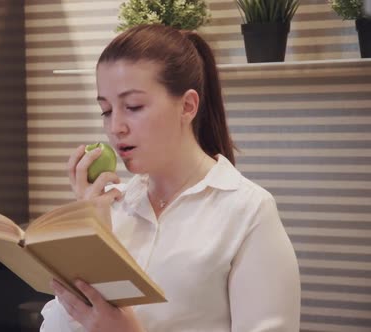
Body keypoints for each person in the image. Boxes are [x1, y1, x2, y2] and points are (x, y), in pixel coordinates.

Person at [39, 24, 301, 332]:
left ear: (187, 106)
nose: (115, 127)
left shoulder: (248, 211)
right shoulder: (111, 207)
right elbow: (57, 326)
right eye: (106, 111)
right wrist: (88, 234)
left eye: (133, 106)